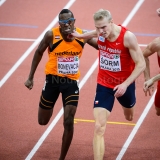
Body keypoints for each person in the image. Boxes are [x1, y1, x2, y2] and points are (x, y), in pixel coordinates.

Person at [71, 9, 145, 160]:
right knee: (98, 126)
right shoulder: (100, 32)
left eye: (103, 27)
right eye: (97, 28)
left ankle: (128, 105)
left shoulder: (128, 37)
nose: (100, 31)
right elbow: (93, 33)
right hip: (104, 84)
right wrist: (80, 36)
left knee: (129, 116)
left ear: (111, 23)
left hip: (125, 85)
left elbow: (141, 64)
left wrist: (125, 85)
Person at [24, 9, 98, 160]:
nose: (67, 24)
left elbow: (101, 46)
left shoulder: (81, 35)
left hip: (71, 83)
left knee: (69, 120)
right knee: (42, 121)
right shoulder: (51, 35)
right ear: (59, 24)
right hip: (52, 81)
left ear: (74, 21)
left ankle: (61, 158)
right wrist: (30, 77)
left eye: (70, 21)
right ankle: (50, 105)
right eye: (64, 22)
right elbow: (38, 52)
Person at [143, 37, 160, 116]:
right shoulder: (157, 43)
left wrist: (152, 80)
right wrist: (147, 78)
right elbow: (143, 55)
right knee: (158, 111)